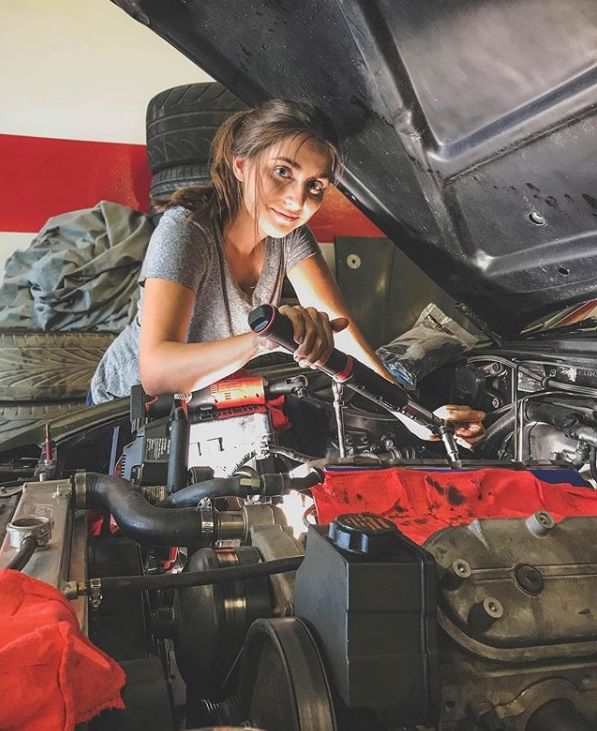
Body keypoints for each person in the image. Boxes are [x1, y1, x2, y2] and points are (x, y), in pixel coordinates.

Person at [90, 98, 483, 443]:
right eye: (283, 172)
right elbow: (157, 373)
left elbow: (345, 339)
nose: (298, 200)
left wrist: (413, 415)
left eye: (315, 185)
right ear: (240, 165)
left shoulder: (290, 237)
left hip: (192, 405)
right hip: (117, 410)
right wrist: (268, 337)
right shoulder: (187, 230)